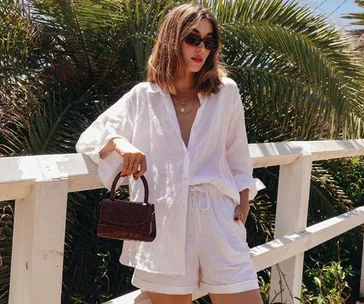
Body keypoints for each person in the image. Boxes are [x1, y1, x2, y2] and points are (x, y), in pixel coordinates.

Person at [76, 3, 264, 304]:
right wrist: (123, 144)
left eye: (209, 41)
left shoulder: (225, 92)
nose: (201, 48)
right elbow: (92, 137)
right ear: (171, 39)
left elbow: (237, 153)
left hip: (218, 215)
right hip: (163, 219)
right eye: (192, 38)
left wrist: (243, 197)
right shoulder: (144, 96)